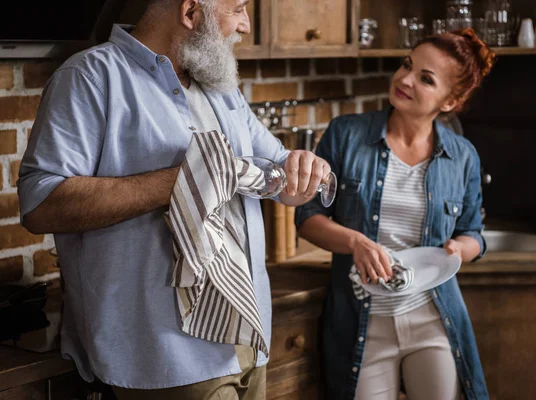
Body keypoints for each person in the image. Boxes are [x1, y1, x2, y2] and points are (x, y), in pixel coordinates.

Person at [17, 0, 330, 399]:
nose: (246, 26)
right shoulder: (90, 77)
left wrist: (301, 166)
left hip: (248, 334)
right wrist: (183, 181)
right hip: (165, 353)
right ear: (190, 14)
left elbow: (278, 166)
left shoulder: (218, 83)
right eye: (237, 9)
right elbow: (40, 204)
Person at [295, 28, 496, 400]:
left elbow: (474, 234)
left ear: (449, 101)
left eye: (425, 78)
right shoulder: (345, 134)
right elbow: (307, 217)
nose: (404, 79)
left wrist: (458, 250)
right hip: (362, 321)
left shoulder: (462, 155)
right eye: (407, 65)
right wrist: (355, 241)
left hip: (432, 318)